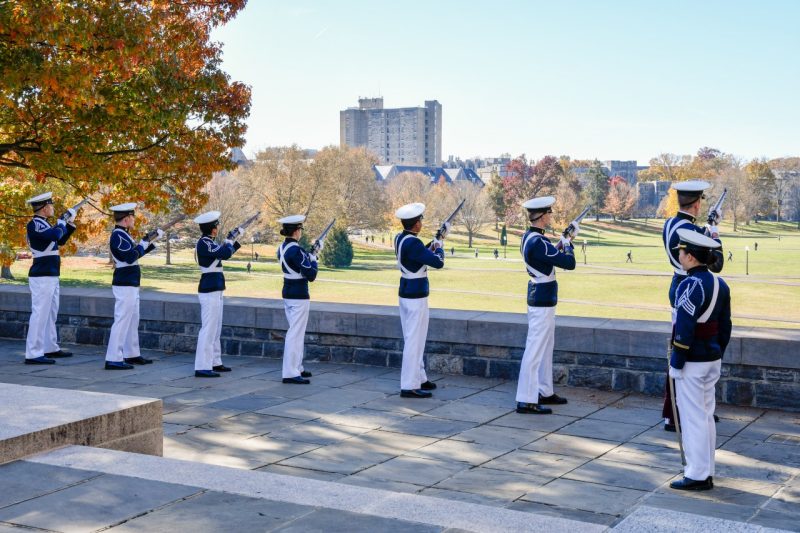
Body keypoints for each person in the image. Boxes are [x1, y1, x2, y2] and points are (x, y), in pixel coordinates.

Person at [669, 229, 731, 491]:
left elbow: (684, 325)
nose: (679, 256)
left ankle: (695, 474)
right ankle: (706, 469)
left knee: (693, 417)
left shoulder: (690, 284)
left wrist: (677, 361)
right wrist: (718, 351)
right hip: (712, 357)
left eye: (682, 252)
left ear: (691, 257)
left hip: (692, 360)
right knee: (705, 415)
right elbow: (725, 326)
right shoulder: (721, 284)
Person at [661, 180, 723, 432]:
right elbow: (716, 263)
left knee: (679, 345)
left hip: (678, 284)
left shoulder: (669, 224)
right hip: (693, 288)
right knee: (688, 349)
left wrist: (705, 231)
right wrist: (714, 232)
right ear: (697, 203)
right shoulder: (692, 231)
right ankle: (680, 412)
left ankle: (673, 412)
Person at [515, 196, 577, 414]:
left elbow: (547, 257)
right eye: (549, 213)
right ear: (541, 217)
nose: (551, 216)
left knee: (545, 347)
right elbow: (569, 263)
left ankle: (544, 390)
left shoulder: (530, 238)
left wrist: (562, 241)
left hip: (542, 297)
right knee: (535, 349)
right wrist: (568, 244)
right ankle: (525, 398)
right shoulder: (538, 242)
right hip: (542, 298)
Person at [394, 203, 446, 398]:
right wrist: (439, 247)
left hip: (406, 292)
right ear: (416, 224)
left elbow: (418, 255)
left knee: (414, 338)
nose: (422, 223)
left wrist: (432, 243)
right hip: (416, 296)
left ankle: (420, 377)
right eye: (421, 220)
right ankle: (409, 385)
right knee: (414, 341)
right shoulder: (413, 242)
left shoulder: (401, 238)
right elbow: (438, 262)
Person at [105, 203, 161, 370]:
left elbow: (134, 253)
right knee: (122, 319)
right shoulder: (118, 235)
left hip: (131, 282)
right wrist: (145, 243)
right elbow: (130, 257)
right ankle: (113, 358)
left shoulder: (124, 234)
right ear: (127, 218)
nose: (134, 220)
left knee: (132, 319)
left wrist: (148, 242)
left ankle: (131, 354)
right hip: (125, 282)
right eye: (132, 217)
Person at [24, 192, 78, 364]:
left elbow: (59, 241)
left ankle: (49, 347)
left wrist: (68, 224)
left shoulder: (45, 225)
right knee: (40, 314)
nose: (53, 208)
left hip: (51, 274)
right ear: (45, 207)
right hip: (42, 275)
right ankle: (33, 353)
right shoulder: (34, 225)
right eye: (51, 205)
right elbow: (54, 235)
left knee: (51, 313)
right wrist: (61, 222)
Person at [193, 211, 243, 377]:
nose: (217, 228)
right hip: (209, 289)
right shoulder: (205, 243)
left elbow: (224, 253)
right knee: (208, 329)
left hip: (216, 288)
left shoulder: (209, 242)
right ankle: (202, 366)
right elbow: (225, 253)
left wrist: (233, 241)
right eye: (216, 226)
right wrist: (229, 241)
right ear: (213, 229)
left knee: (215, 328)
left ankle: (215, 361)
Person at [277, 215, 318, 384]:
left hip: (288, 291)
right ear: (296, 231)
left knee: (297, 332)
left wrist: (310, 254)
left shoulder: (282, 248)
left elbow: (295, 264)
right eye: (300, 229)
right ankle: (290, 372)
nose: (300, 232)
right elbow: (311, 275)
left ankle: (297, 367)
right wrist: (314, 258)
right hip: (299, 294)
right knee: (295, 333)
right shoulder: (296, 250)